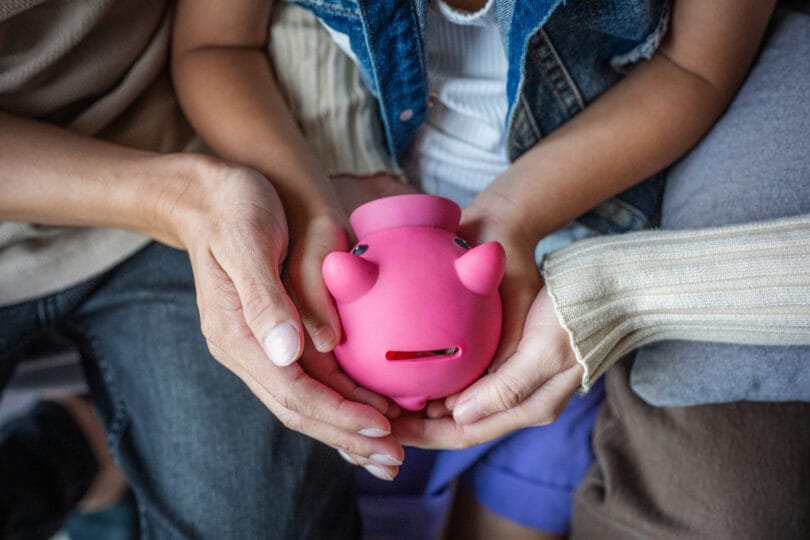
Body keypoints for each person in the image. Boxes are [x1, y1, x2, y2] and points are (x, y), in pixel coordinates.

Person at [171, 0, 782, 538]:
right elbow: (215, 46)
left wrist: (516, 213)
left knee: (543, 457)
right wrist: (309, 206)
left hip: (572, 222)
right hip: (357, 211)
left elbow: (696, 67)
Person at [0, 1, 362, 537]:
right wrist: (177, 199)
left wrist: (302, 210)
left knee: (266, 524)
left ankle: (75, 448)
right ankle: (77, 447)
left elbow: (217, 41)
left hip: (167, 147)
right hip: (174, 192)